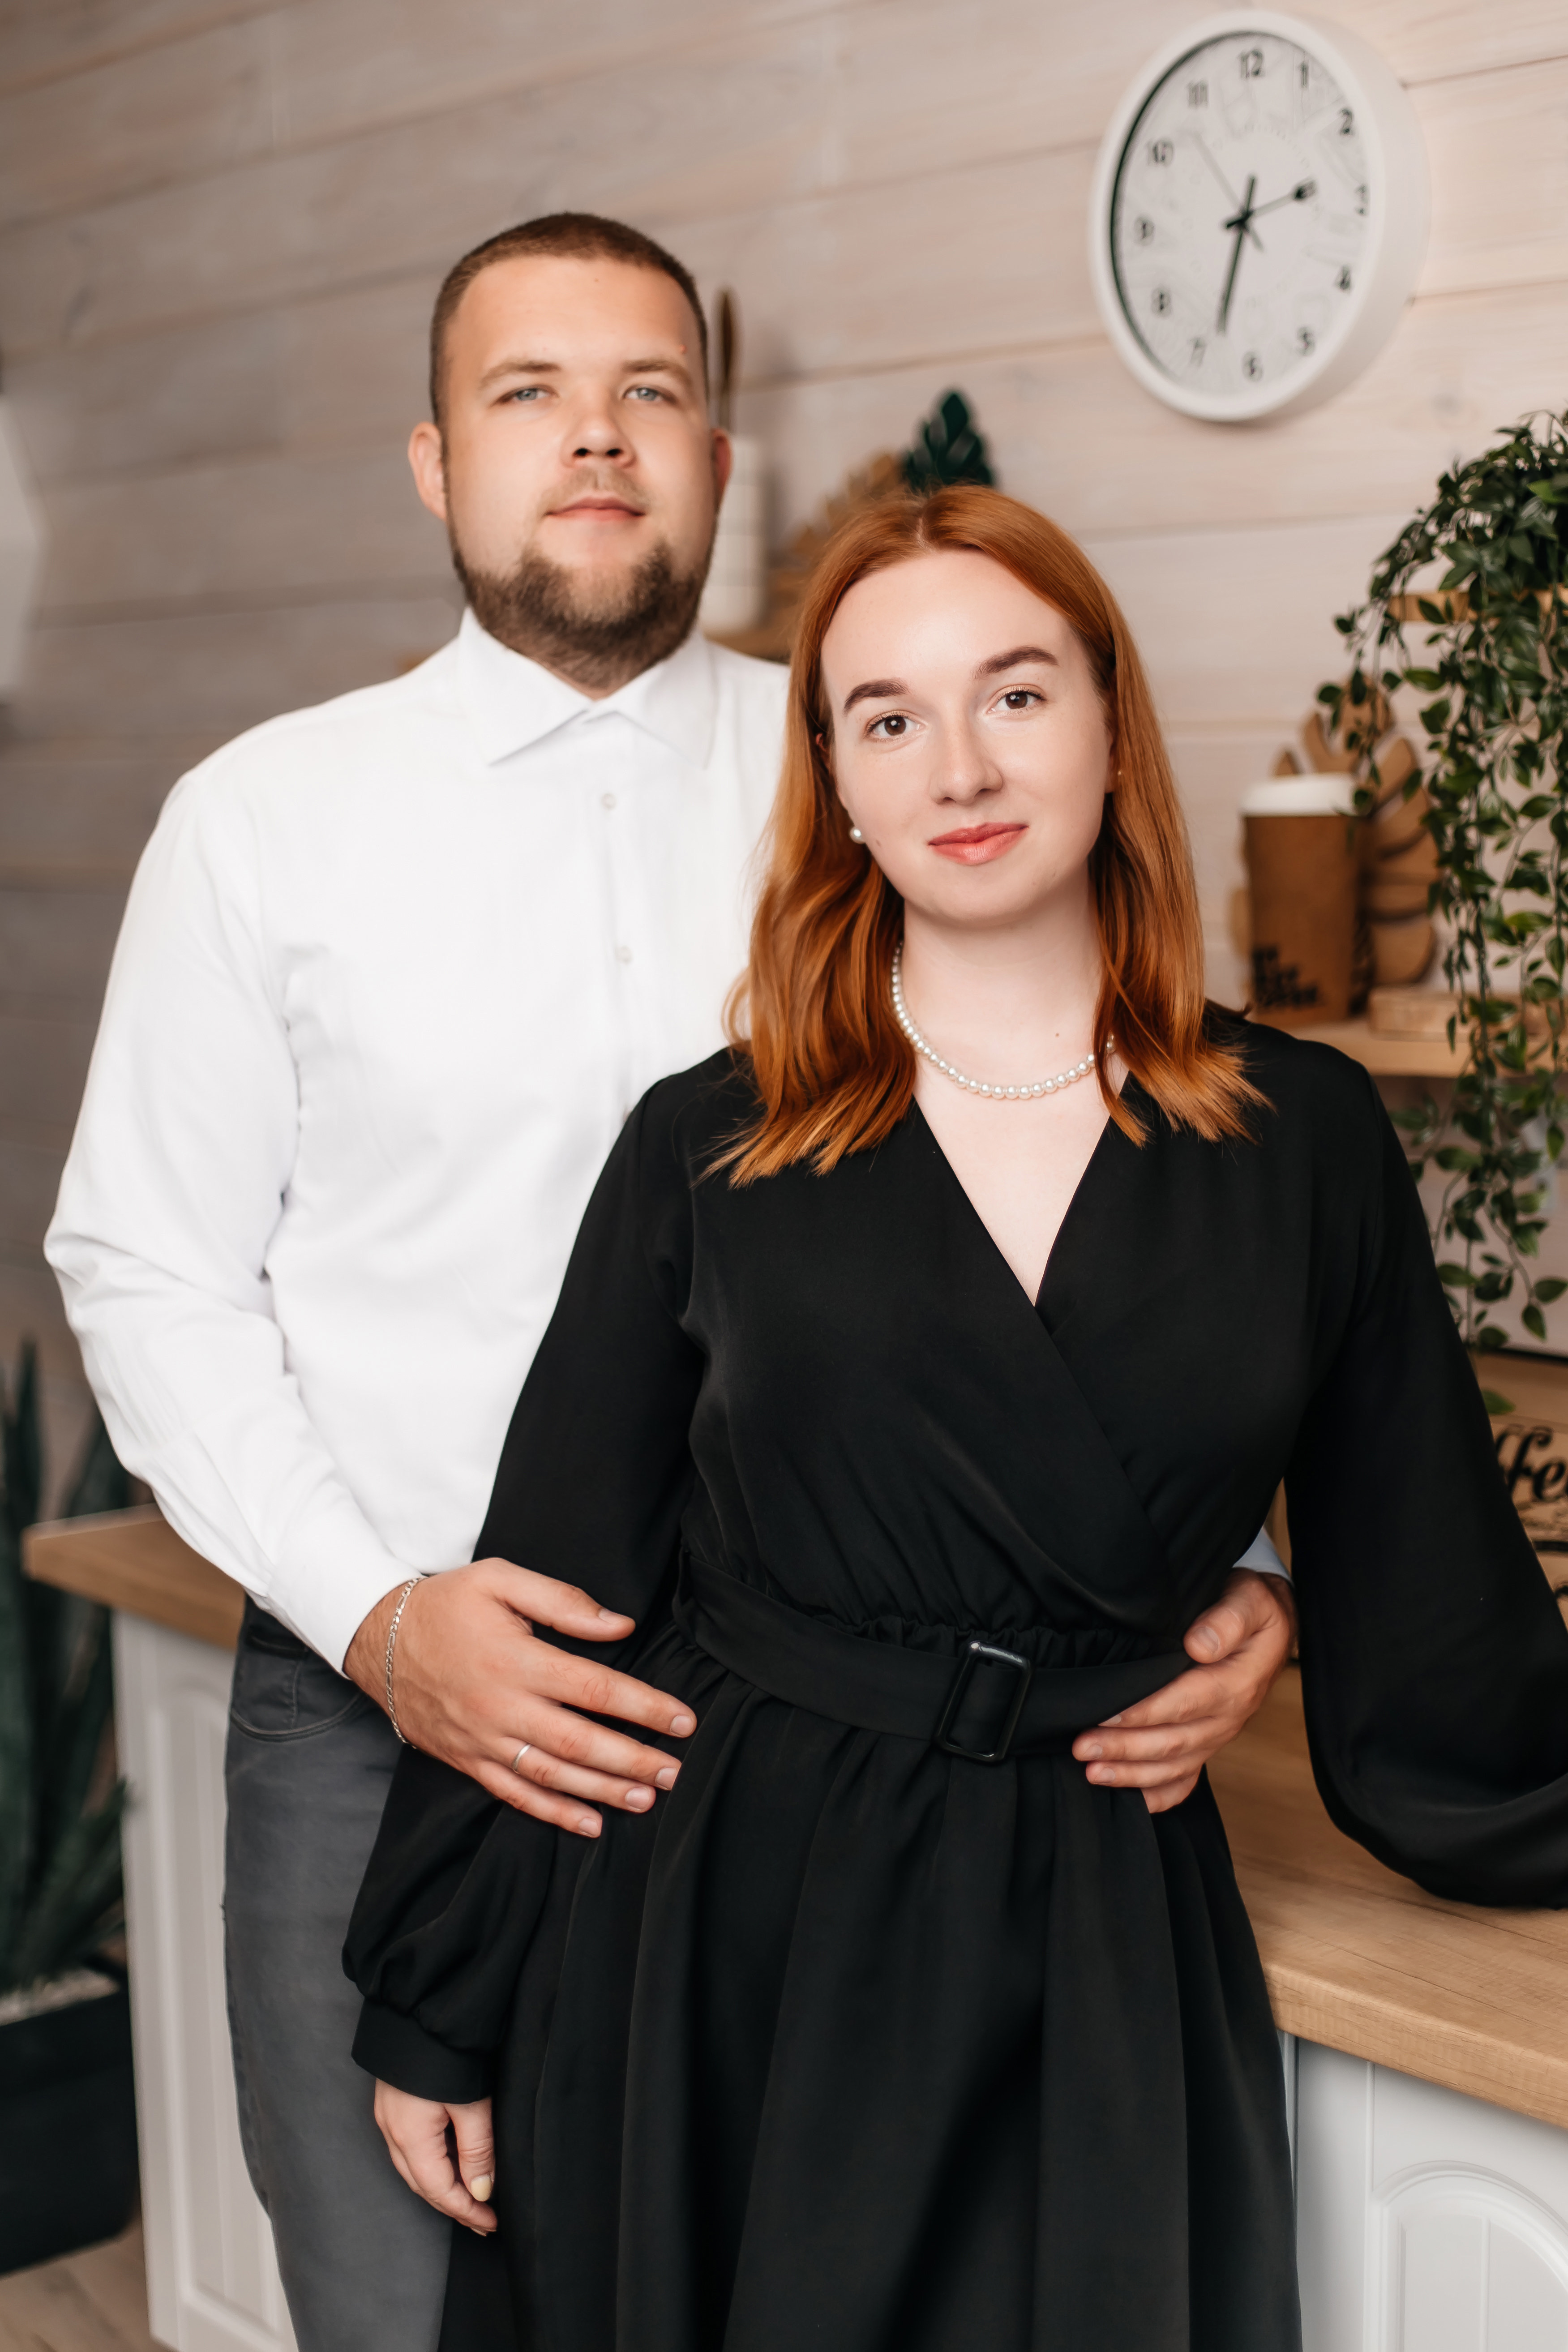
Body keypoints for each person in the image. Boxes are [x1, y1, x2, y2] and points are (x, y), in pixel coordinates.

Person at [46, 222, 1292, 2347]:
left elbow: (1134, 1166)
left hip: (802, 1759)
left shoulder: (880, 767)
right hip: (375, 1717)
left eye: (648, 391)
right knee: (402, 2308)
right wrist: (385, 1618)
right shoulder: (264, 822)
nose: (596, 439)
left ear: (716, 457)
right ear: (436, 463)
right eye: (527, 394)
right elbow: (147, 1272)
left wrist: (1239, 1563)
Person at [347, 485, 1568, 2352]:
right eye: (888, 717)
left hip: (1095, 1910)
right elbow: (558, 1591)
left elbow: (1432, 1589)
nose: (961, 765)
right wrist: (439, 1998)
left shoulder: (1304, 1138)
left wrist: (1268, 1598)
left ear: (1109, 724)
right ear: (837, 782)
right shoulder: (707, 1143)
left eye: (1015, 692)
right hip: (727, 1909)